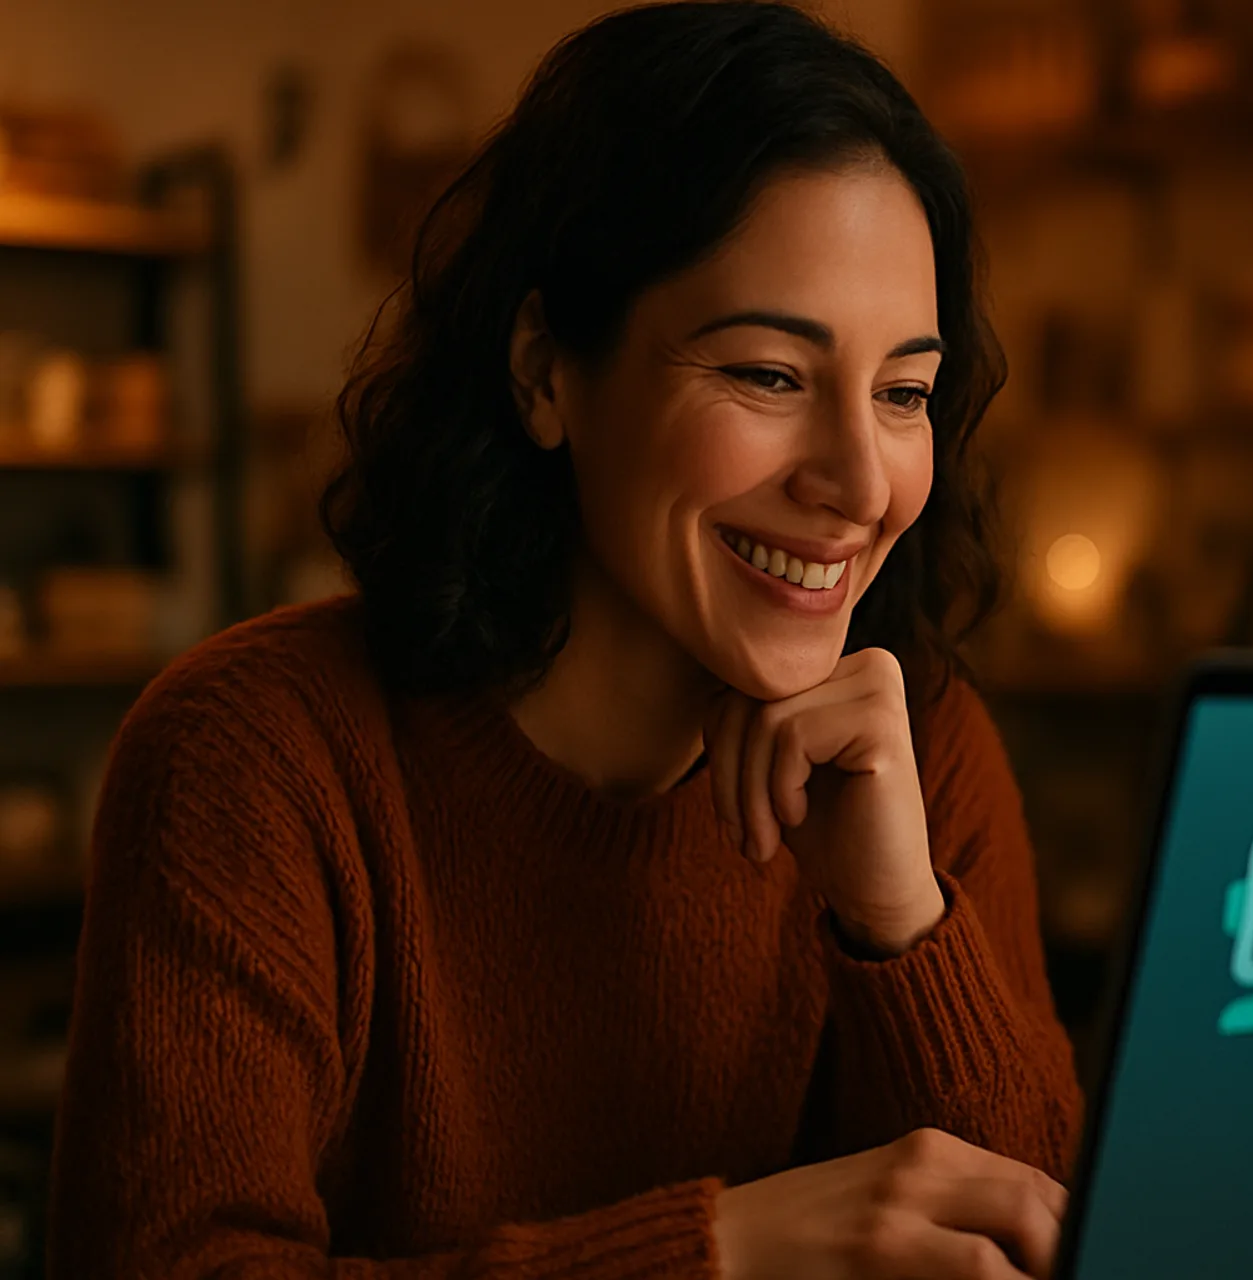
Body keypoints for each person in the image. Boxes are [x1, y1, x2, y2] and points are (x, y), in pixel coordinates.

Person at [47, 4, 1083, 1276]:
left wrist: (898, 922)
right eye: (768, 373)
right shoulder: (258, 758)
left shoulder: (924, 750)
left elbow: (1044, 1238)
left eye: (904, 392)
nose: (861, 481)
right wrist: (718, 1255)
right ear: (544, 368)